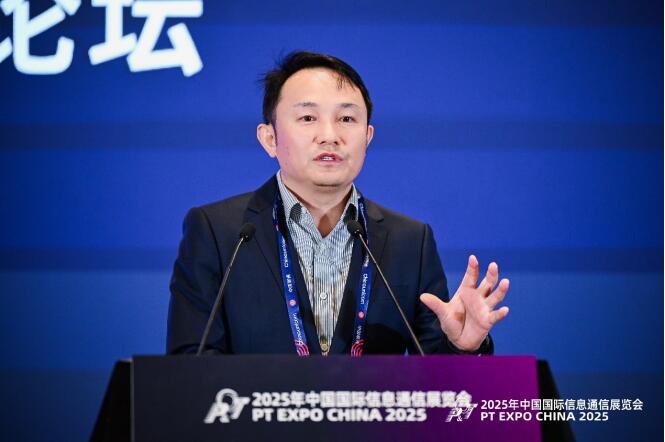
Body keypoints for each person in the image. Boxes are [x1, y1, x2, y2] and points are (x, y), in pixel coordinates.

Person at [167, 51, 509, 356]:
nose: (330, 135)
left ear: (367, 137)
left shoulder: (411, 241)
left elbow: (440, 384)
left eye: (347, 119)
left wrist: (464, 347)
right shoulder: (219, 232)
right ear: (269, 138)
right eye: (308, 118)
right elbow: (189, 367)